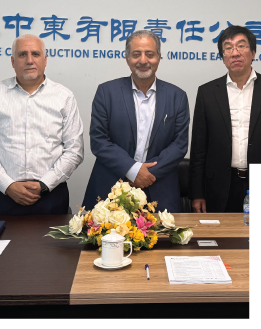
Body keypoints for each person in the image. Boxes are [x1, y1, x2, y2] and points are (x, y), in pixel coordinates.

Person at [189, 26, 261, 213]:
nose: (235, 53)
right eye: (228, 48)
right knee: (221, 232)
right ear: (223, 57)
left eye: (241, 46)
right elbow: (199, 149)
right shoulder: (207, 93)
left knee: (259, 231)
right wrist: (197, 193)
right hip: (219, 186)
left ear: (253, 53)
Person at [0, 34, 83, 215]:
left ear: (45, 60)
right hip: (2, 194)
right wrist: (8, 185)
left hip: (50, 194)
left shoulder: (64, 97)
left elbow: (74, 151)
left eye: (35, 54)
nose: (29, 60)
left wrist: (44, 185)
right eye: (22, 54)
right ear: (13, 61)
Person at [81, 30, 189, 211]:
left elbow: (179, 145)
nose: (143, 60)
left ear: (159, 58)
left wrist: (146, 174)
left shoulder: (177, 96)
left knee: (162, 231)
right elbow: (99, 141)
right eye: (136, 54)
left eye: (150, 54)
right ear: (127, 58)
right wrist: (132, 170)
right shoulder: (106, 92)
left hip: (159, 188)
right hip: (111, 188)